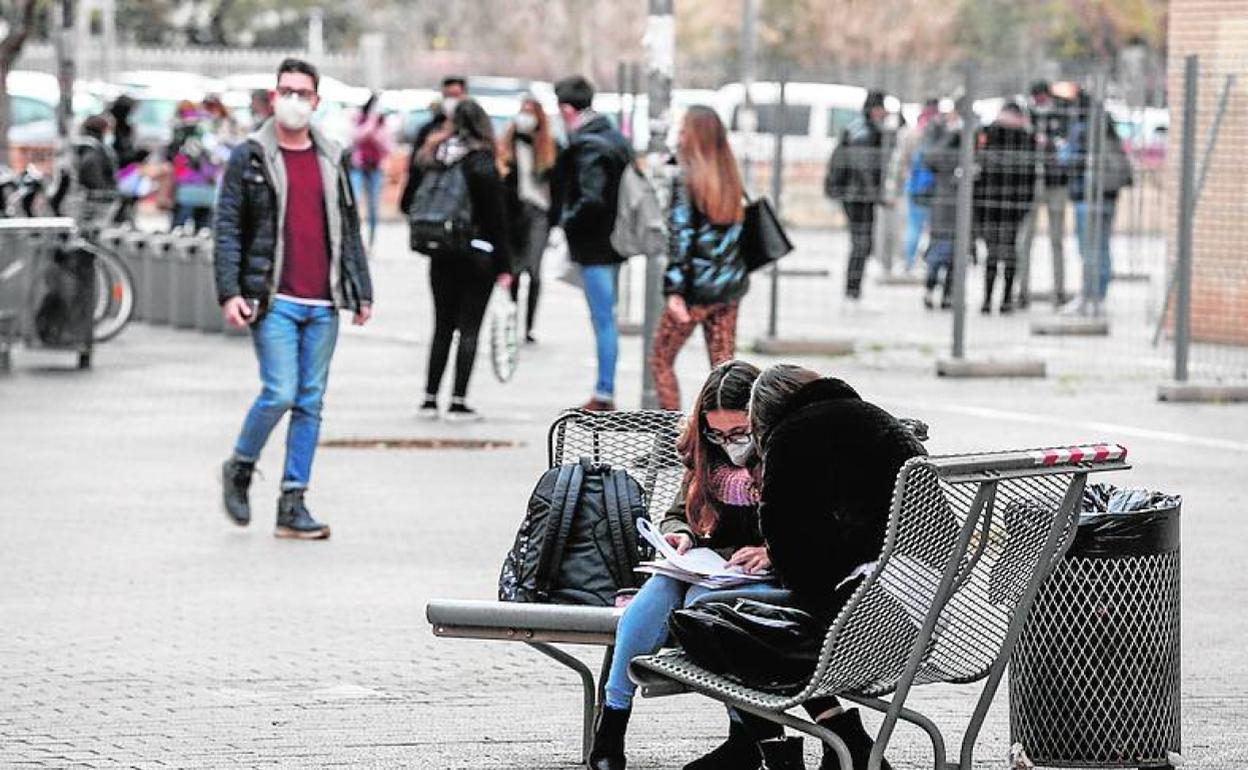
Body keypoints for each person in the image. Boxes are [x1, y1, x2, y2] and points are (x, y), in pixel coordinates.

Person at [590, 360, 784, 770]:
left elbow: (809, 527)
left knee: (702, 600)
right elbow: (678, 513)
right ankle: (611, 728)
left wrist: (770, 551)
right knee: (662, 588)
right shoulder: (706, 455)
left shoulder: (785, 455)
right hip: (712, 567)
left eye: (739, 433)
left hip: (769, 576)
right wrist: (683, 536)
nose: (728, 442)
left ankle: (747, 739)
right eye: (717, 433)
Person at [215, 58, 374, 540]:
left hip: (323, 302)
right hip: (274, 298)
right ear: (273, 95)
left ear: (316, 101)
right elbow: (226, 228)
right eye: (286, 90)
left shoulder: (331, 156)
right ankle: (241, 465)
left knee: (310, 402)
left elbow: (347, 228)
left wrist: (361, 290)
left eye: (302, 93)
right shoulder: (252, 155)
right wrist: (229, 291)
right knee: (281, 392)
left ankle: (293, 501)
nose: (293, 100)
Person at [741, 363, 927, 770]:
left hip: (867, 624)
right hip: (932, 616)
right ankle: (844, 738)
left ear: (766, 418)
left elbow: (796, 565)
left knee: (725, 622)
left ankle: (800, 746)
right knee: (757, 619)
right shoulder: (880, 421)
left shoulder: (791, 439)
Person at [412, 99, 512, 422]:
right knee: (469, 329)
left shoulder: (434, 156)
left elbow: (407, 201)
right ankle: (457, 401)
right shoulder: (482, 161)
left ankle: (429, 399)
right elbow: (497, 219)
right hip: (477, 254)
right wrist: (505, 267)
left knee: (441, 326)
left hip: (440, 252)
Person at [649, 106, 748, 411]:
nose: (678, 135)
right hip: (728, 290)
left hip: (695, 292)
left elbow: (681, 238)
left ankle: (669, 437)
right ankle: (732, 442)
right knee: (724, 369)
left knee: (661, 359)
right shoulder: (731, 177)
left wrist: (675, 291)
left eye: (683, 130)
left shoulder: (687, 180)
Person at [549, 75, 633, 411]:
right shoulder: (612, 136)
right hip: (614, 241)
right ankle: (604, 388)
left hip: (595, 245)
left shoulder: (588, 144)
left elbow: (592, 198)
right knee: (605, 316)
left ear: (567, 109)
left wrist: (566, 223)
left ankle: (604, 392)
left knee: (603, 319)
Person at [498, 94, 557, 343]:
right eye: (523, 111)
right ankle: (512, 316)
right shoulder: (508, 144)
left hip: (538, 212)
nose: (525, 117)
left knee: (533, 270)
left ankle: (529, 326)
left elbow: (557, 185)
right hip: (514, 212)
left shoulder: (548, 147)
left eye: (531, 112)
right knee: (514, 269)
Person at [1066, 93, 1128, 317]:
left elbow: (1069, 159)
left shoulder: (1081, 130)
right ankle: (1099, 295)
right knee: (1102, 246)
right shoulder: (1108, 128)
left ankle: (1088, 295)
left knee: (1088, 248)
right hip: (1109, 196)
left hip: (1087, 197)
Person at [825, 90, 889, 300]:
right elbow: (863, 168)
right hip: (859, 196)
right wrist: (876, 194)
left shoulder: (858, 128)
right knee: (861, 243)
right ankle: (853, 288)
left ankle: (853, 286)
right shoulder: (864, 132)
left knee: (862, 243)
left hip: (856, 195)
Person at [974, 103, 1036, 314]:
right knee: (1009, 252)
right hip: (1012, 205)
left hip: (990, 203)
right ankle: (1006, 298)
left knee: (993, 253)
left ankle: (988, 298)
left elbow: (978, 171)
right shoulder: (1026, 138)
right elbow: (1030, 177)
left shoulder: (987, 134)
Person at [1017, 80, 1073, 309]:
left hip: (1055, 183)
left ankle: (1059, 291)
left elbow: (1066, 145)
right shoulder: (1025, 114)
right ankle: (1022, 290)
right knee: (1025, 239)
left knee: (1057, 239)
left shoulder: (1062, 115)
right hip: (1030, 183)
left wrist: (1049, 143)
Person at [399, 75, 468, 214]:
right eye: (447, 96)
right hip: (430, 204)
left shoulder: (473, 130)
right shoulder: (429, 130)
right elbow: (415, 168)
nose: (451, 101)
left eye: (455, 95)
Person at [920, 101, 963, 310]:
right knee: (938, 246)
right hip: (941, 196)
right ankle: (930, 286)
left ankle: (949, 292)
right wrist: (949, 135)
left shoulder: (969, 130)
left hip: (961, 199)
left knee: (958, 249)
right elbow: (930, 158)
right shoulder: (936, 129)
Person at [895, 99, 940, 273]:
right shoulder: (940, 131)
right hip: (935, 187)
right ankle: (928, 261)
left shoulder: (911, 133)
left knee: (913, 226)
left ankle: (909, 261)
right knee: (933, 228)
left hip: (914, 185)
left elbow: (902, 162)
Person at [167, 100, 220, 231]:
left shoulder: (182, 134)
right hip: (203, 187)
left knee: (179, 226)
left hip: (187, 187)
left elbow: (174, 160)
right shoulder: (207, 133)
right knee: (203, 227)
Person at [351, 92, 391, 248]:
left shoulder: (383, 124)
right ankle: (355, 237)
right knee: (354, 200)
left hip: (375, 168)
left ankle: (371, 241)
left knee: (373, 206)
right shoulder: (359, 119)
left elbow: (387, 146)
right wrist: (370, 123)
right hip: (359, 166)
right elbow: (356, 137)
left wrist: (376, 132)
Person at [74, 114, 118, 192]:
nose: (109, 134)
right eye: (108, 131)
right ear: (101, 131)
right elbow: (97, 185)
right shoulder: (93, 155)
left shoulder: (91, 150)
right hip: (96, 201)